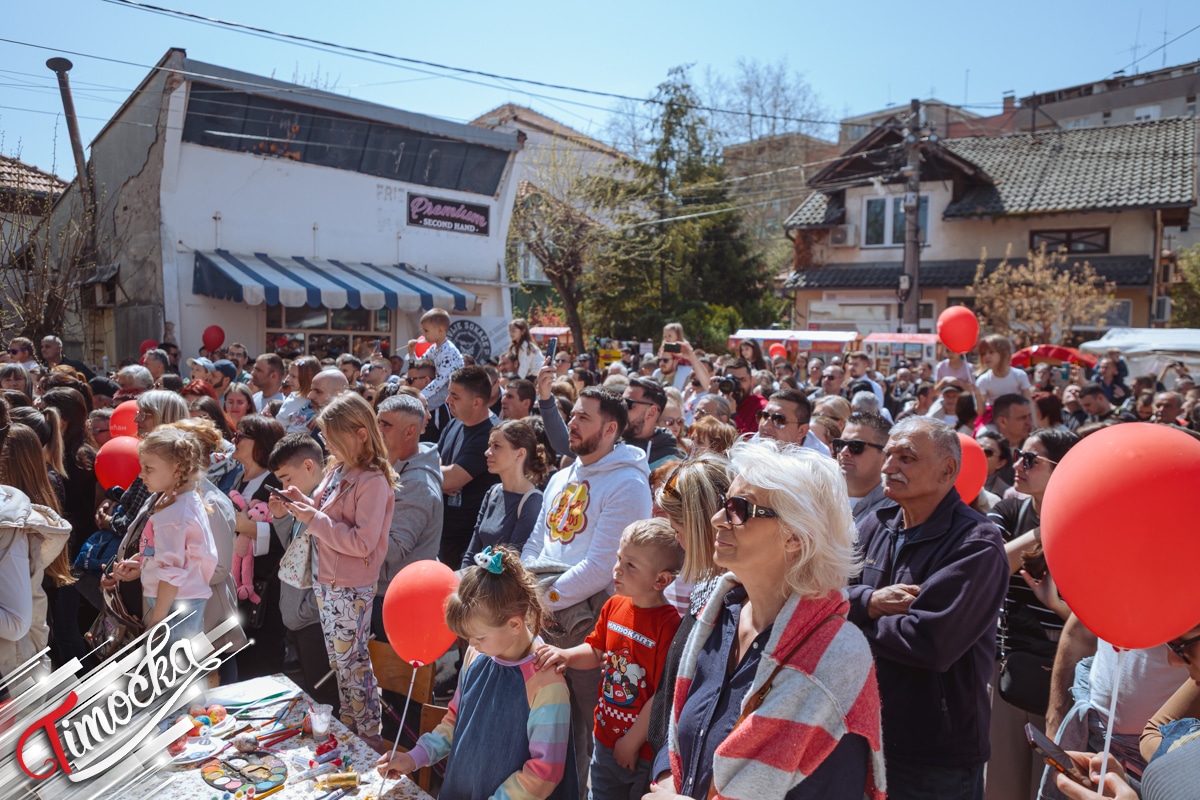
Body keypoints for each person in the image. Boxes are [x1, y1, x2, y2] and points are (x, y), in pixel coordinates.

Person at [652, 438, 886, 800]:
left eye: (739, 509)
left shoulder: (837, 658)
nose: (717, 519)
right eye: (723, 504)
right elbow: (681, 741)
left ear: (794, 537)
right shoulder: (717, 617)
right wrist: (667, 779)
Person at [849, 417, 1009, 800]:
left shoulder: (976, 543)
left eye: (906, 458)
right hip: (861, 734)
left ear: (947, 471)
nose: (889, 466)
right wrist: (869, 603)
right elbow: (828, 594)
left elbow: (931, 642)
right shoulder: (874, 523)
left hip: (931, 756)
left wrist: (850, 620)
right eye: (888, 455)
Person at [522, 386, 652, 796]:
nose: (572, 424)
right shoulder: (561, 476)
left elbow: (601, 567)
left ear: (611, 428)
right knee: (543, 723)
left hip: (587, 628)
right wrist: (523, 593)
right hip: (540, 616)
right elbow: (535, 544)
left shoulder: (628, 485)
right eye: (572, 414)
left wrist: (542, 600)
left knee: (582, 728)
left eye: (584, 418)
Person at [375, 547, 574, 799]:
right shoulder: (476, 655)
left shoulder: (547, 684)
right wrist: (414, 758)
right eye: (468, 638)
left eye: (479, 637)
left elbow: (545, 772)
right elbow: (455, 721)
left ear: (514, 624)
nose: (472, 644)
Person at [277, 392, 396, 749]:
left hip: (349, 585)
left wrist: (313, 518)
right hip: (328, 582)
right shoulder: (339, 468)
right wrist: (301, 502)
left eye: (330, 435)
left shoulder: (372, 479)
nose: (324, 441)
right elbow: (324, 514)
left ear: (360, 433)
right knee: (343, 664)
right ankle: (351, 730)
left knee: (352, 665)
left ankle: (368, 736)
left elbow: (362, 542)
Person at [536, 519, 683, 799]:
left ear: (661, 580)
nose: (617, 569)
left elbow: (662, 695)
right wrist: (565, 654)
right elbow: (595, 650)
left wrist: (631, 742)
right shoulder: (613, 605)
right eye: (619, 558)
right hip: (604, 738)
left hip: (641, 752)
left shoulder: (669, 626)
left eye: (631, 565)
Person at [982, 429, 1079, 800]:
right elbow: (988, 565)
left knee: (1049, 786)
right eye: (1020, 454)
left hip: (1066, 674)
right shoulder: (1008, 510)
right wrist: (1048, 527)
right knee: (1000, 787)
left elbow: (1094, 619)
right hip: (1008, 668)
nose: (1019, 465)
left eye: (1031, 459)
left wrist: (1055, 604)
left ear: (1064, 469)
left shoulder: (1089, 526)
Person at [646, 454, 729, 755]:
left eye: (679, 532)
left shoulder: (731, 599)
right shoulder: (707, 581)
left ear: (701, 526)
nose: (678, 542)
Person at [111, 427, 218, 641]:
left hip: (174, 605)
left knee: (171, 672)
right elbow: (181, 555)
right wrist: (144, 562)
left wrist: (157, 622)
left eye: (149, 468)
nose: (141, 474)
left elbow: (172, 572)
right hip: (182, 601)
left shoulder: (173, 514)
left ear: (176, 468)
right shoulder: (185, 499)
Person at [265, 434, 341, 711]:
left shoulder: (329, 503)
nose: (284, 487)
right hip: (299, 616)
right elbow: (297, 552)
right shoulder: (305, 501)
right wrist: (282, 518)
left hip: (315, 621)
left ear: (309, 466)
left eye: (286, 478)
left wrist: (311, 608)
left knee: (326, 701)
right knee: (313, 698)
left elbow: (332, 562)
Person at [0, 429, 73, 690]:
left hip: (20, 651)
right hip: (35, 621)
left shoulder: (12, 521)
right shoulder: (31, 501)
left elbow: (15, 623)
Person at [229, 414, 286, 678]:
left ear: (260, 443)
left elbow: (284, 536)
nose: (234, 441)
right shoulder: (237, 477)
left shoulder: (278, 482)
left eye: (241, 436)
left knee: (259, 667)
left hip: (263, 591)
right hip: (235, 586)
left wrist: (244, 526)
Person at [461, 420, 547, 569]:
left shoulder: (532, 503)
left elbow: (510, 565)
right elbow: (472, 553)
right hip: (476, 582)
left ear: (519, 454)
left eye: (496, 446)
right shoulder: (493, 492)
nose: (487, 452)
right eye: (489, 446)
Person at [437, 366, 501, 568]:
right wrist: (441, 478)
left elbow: (452, 479)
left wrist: (442, 479)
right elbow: (436, 461)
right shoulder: (455, 423)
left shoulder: (489, 435)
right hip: (444, 536)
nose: (448, 400)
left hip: (468, 545)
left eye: (455, 396)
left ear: (476, 402)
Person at [835, 412, 895, 524]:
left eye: (856, 446)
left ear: (884, 455)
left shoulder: (894, 511)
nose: (843, 452)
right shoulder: (820, 497)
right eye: (840, 444)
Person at [408, 307, 464, 412]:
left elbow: (441, 380)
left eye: (426, 330)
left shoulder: (449, 350)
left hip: (450, 390)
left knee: (418, 409)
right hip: (441, 387)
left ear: (440, 330)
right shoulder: (434, 348)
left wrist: (421, 395)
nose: (423, 335)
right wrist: (412, 354)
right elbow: (420, 364)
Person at [755, 387, 829, 455]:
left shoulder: (818, 462)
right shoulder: (759, 438)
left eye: (778, 420)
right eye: (764, 416)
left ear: (801, 431)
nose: (765, 425)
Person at [976, 335, 1032, 404]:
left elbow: (1029, 402)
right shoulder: (983, 380)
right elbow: (981, 412)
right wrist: (977, 395)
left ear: (1005, 354)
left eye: (991, 352)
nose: (986, 356)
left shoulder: (1019, 375)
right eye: (983, 354)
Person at [276, 355, 320, 434]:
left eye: (293, 376)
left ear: (308, 378)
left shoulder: (323, 399)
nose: (288, 379)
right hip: (292, 442)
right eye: (289, 375)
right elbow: (280, 425)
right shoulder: (293, 399)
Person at [724, 359, 767, 435]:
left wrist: (733, 415)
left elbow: (751, 444)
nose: (737, 385)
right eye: (732, 380)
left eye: (742, 380)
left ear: (751, 380)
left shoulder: (762, 407)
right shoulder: (718, 402)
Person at [976, 430, 1013, 497]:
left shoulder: (1005, 494)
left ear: (1000, 463)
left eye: (988, 452)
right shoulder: (953, 476)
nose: (980, 453)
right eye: (977, 448)